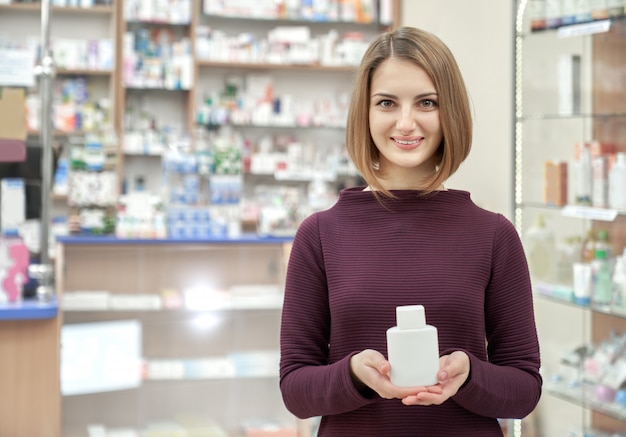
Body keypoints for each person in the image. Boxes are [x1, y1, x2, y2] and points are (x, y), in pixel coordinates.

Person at [278, 26, 541, 436]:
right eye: (386, 102)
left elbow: (524, 390)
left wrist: (468, 375)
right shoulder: (320, 235)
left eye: (426, 102)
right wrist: (354, 375)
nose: (405, 122)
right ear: (365, 113)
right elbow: (295, 389)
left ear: (449, 110)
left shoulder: (493, 235)